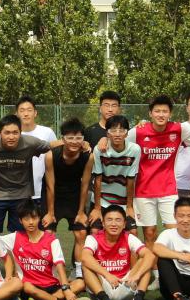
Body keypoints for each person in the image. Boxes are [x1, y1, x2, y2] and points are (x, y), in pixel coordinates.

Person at [125, 95, 190, 248]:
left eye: (164, 111)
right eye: (157, 111)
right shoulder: (138, 132)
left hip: (168, 189)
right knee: (150, 232)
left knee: (174, 230)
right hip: (143, 190)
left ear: (170, 113)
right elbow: (119, 140)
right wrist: (104, 140)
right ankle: (154, 263)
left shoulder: (179, 129)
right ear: (150, 113)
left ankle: (173, 261)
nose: (161, 115)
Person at [0, 199, 88, 300]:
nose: (31, 222)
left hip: (51, 285)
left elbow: (60, 266)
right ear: (20, 221)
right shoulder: (15, 237)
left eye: (34, 218)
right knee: (27, 287)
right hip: (30, 287)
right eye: (26, 219)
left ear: (39, 218)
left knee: (80, 283)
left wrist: (66, 289)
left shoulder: (52, 240)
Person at [0, 114, 55, 233]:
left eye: (15, 133)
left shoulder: (30, 143)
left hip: (21, 195)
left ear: (20, 132)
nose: (11, 137)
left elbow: (51, 145)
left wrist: (77, 143)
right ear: (0, 132)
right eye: (7, 133)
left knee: (20, 235)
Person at [80, 205, 154, 300]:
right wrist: (107, 275)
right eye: (109, 220)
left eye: (118, 220)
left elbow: (150, 256)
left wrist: (137, 275)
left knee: (145, 261)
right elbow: (85, 257)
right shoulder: (93, 238)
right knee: (86, 265)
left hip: (125, 283)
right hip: (102, 286)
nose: (114, 224)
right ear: (103, 223)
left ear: (124, 224)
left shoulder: (129, 237)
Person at [43, 118, 92, 279]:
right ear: (63, 138)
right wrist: (50, 212)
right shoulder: (51, 155)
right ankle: (52, 271)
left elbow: (85, 185)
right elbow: (50, 185)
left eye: (78, 138)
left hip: (75, 196)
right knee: (48, 233)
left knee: (81, 233)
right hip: (54, 196)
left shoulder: (88, 156)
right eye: (70, 137)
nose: (74, 141)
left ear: (83, 139)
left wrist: (81, 212)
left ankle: (78, 271)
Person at [89, 115, 139, 229]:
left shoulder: (135, 149)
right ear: (107, 133)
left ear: (127, 133)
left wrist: (129, 207)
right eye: (113, 130)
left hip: (123, 201)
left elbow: (131, 179)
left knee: (132, 232)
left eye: (121, 130)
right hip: (102, 200)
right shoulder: (99, 150)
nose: (117, 134)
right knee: (95, 231)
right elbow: (98, 179)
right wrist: (97, 208)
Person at [16, 95, 56, 207]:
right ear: (17, 114)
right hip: (18, 193)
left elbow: (56, 155)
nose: (26, 114)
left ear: (35, 113)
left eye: (29, 110)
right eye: (22, 110)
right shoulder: (12, 135)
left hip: (42, 191)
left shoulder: (47, 132)